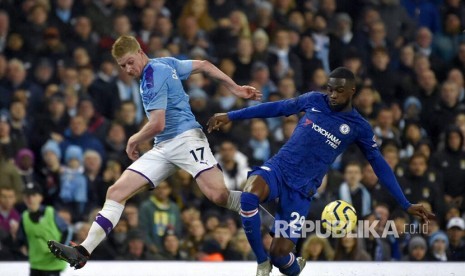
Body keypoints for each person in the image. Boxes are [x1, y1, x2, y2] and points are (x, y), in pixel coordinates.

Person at [47, 35, 265, 269]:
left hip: (187, 139)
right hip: (163, 146)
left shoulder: (152, 78)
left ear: (140, 51)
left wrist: (133, 140)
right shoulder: (166, 63)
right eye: (122, 66)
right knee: (116, 191)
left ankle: (274, 222)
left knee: (218, 196)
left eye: (130, 62)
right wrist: (235, 88)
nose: (128, 69)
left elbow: (157, 123)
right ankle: (83, 251)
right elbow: (203, 65)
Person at [207, 67, 435, 276]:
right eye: (330, 89)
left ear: (352, 91)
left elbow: (380, 165)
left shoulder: (359, 127)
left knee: (280, 256)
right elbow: (277, 107)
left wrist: (405, 204)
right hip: (279, 168)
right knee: (248, 196)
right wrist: (230, 116)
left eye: (339, 90)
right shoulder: (314, 100)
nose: (333, 95)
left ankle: (293, 266)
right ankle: (260, 262)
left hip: (301, 190)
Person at [17, 182, 69, 276]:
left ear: (40, 197)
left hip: (53, 264)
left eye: (33, 195)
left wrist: (60, 249)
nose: (30, 199)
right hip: (36, 264)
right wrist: (23, 246)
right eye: (27, 196)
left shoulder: (50, 212)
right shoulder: (24, 217)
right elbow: (21, 237)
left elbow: (66, 231)